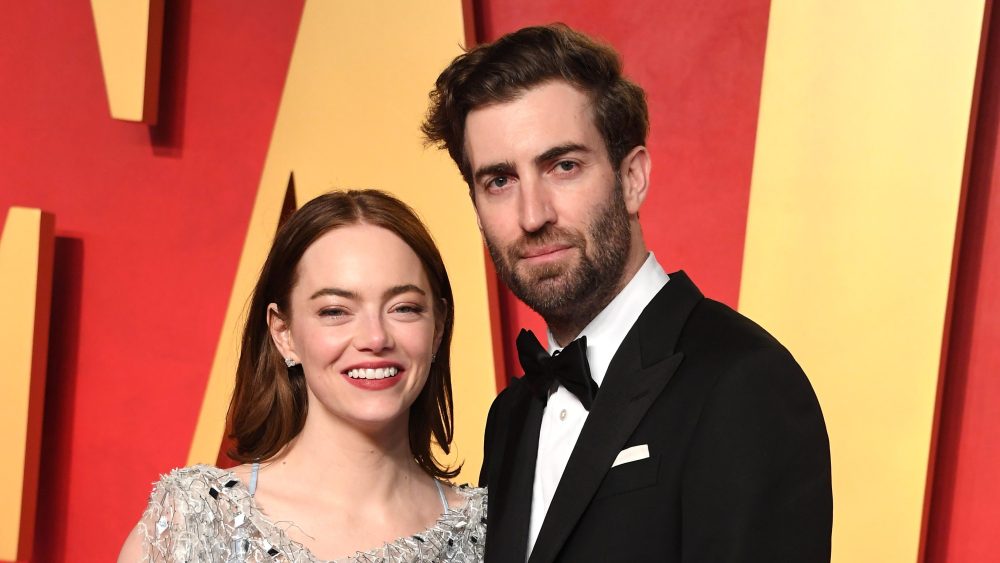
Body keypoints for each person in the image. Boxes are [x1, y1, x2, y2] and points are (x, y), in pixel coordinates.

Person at [423, 24, 832, 562]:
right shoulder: (511, 417)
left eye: (563, 166)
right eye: (500, 181)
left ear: (632, 177)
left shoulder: (743, 381)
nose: (532, 215)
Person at [117, 190, 486, 562]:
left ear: (437, 328)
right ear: (284, 333)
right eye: (335, 311)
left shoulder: (493, 534)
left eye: (403, 308)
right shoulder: (193, 524)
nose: (375, 338)